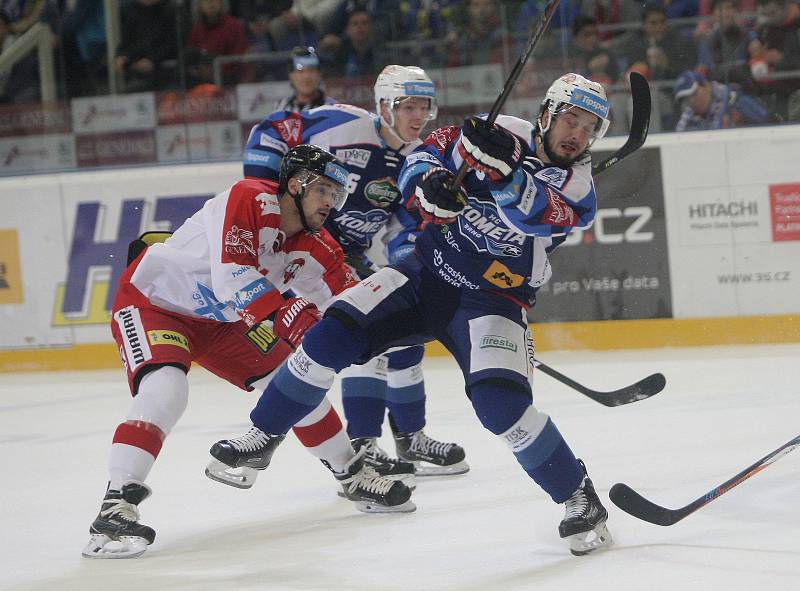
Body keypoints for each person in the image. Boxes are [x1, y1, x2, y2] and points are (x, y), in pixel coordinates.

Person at [211, 72, 615, 556]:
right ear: (547, 114)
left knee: (501, 407)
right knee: (332, 333)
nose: (577, 134)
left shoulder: (579, 184)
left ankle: (578, 497)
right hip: (425, 271)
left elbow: (532, 215)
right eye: (570, 119)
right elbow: (423, 155)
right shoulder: (499, 129)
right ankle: (263, 434)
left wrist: (505, 176)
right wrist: (428, 189)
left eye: (589, 127)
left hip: (492, 302)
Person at [82, 144, 414, 560]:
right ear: (295, 185)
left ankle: (352, 474)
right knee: (166, 389)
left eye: (337, 194)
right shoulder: (249, 197)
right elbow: (232, 276)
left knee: (293, 383)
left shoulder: (321, 247)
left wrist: (405, 312)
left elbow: (349, 304)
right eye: (324, 191)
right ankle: (114, 505)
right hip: (155, 303)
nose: (331, 203)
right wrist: (285, 312)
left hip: (225, 321)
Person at [214, 65, 468, 489]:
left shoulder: (418, 157)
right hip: (303, 250)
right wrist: (271, 198)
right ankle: (364, 442)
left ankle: (410, 437)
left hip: (350, 255)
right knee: (353, 331)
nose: (418, 115)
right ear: (385, 105)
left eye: (424, 106)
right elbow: (274, 128)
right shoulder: (342, 123)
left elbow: (407, 223)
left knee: (404, 337)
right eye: (409, 106)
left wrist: (406, 261)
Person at [673, 69, 769, 130]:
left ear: (706, 85)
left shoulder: (734, 98)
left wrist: (742, 122)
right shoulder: (690, 113)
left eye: (694, 94)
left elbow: (767, 120)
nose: (692, 101)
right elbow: (679, 137)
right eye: (687, 99)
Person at [274, 46, 337, 112]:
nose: (306, 76)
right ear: (291, 76)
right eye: (300, 71)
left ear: (319, 74)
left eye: (311, 70)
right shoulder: (281, 108)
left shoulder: (333, 108)